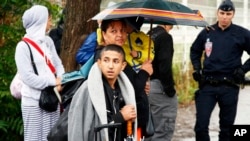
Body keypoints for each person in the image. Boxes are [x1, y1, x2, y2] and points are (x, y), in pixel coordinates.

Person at [190, 0, 250, 141]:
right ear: (217, 13)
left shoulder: (241, 34)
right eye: (222, 13)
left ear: (233, 15)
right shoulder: (207, 32)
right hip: (207, 86)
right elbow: (195, 51)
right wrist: (197, 68)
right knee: (201, 126)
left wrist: (243, 70)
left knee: (227, 129)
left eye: (228, 14)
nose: (224, 17)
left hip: (229, 86)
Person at [15, 5, 65, 141]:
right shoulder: (23, 47)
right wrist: (53, 82)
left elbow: (58, 63)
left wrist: (61, 79)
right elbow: (28, 77)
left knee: (51, 136)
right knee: (34, 138)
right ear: (40, 21)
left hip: (51, 98)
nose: (51, 23)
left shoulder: (48, 42)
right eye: (48, 19)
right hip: (33, 101)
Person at [68, 44, 137, 141]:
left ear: (123, 65)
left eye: (116, 61)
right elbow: (82, 127)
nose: (110, 66)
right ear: (99, 63)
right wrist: (120, 116)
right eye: (106, 60)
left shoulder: (125, 90)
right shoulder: (88, 89)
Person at [145, 24, 178, 141]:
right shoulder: (165, 37)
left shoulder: (149, 34)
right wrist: (170, 90)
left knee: (149, 131)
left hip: (146, 86)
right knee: (162, 133)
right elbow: (165, 66)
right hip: (159, 87)